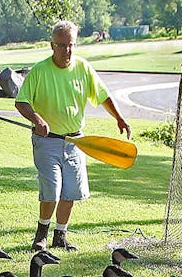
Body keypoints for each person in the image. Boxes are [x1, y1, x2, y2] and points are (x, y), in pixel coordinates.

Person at [14, 19, 131, 252]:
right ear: (52, 45)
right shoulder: (39, 71)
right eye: (62, 45)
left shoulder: (83, 68)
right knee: (52, 189)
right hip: (47, 141)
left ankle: (60, 236)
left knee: (70, 191)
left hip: (76, 141)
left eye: (71, 45)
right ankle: (41, 236)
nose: (67, 50)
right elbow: (21, 102)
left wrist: (119, 117)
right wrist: (37, 120)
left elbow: (103, 95)